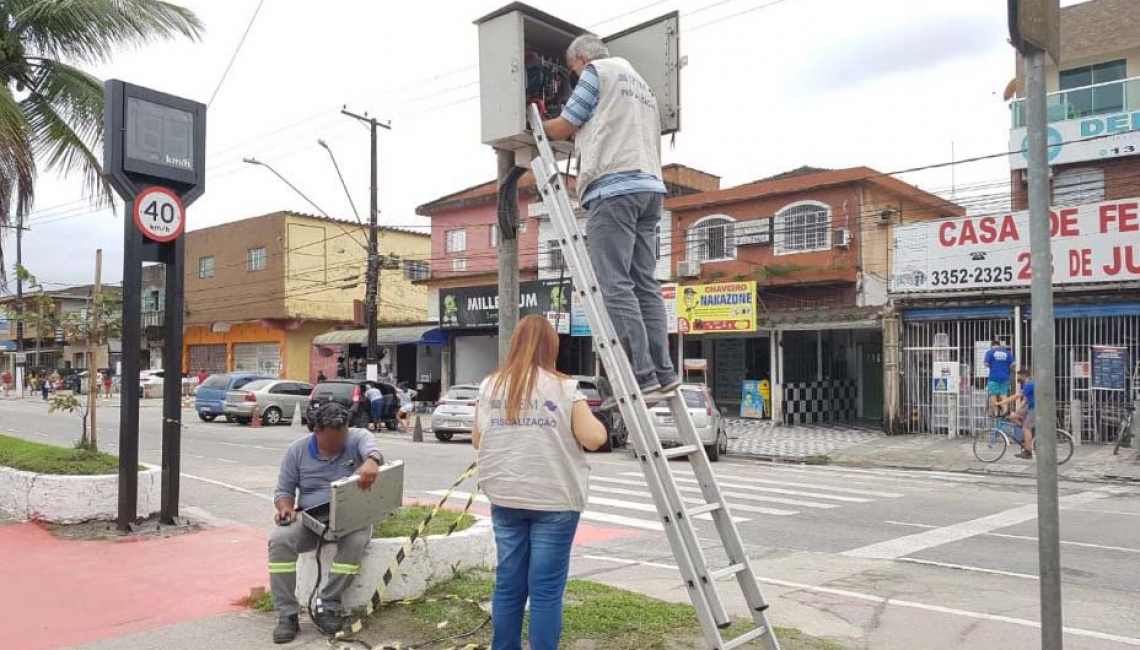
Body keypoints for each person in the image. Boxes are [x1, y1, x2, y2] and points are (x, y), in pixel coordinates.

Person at [542, 34, 679, 407]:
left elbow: (567, 124)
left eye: (573, 72)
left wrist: (537, 118)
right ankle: (664, 374)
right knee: (644, 284)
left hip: (613, 189)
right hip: (650, 187)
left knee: (614, 283)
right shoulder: (640, 83)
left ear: (581, 59)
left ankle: (642, 375)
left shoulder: (595, 73)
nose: (574, 78)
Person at [473, 315, 608, 650]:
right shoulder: (564, 387)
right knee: (545, 590)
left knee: (508, 584)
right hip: (555, 500)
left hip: (505, 497)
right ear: (552, 347)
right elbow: (594, 439)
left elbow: (478, 440)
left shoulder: (490, 385)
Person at [268, 403, 384, 643]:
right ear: (317, 431)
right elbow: (283, 492)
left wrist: (372, 461)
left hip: (352, 516)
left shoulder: (356, 437)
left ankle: (328, 603)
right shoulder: (296, 451)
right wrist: (285, 509)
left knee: (357, 539)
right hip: (311, 518)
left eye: (342, 437)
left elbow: (372, 448)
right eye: (332, 441)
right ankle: (287, 614)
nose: (339, 445)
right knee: (279, 540)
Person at [998, 367, 1035, 460]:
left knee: (1026, 428)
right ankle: (1027, 435)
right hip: (1029, 407)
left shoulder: (1029, 384)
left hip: (1035, 408)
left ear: (1023, 376)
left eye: (1018, 377)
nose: (1017, 379)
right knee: (1012, 415)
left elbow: (1016, 396)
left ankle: (1028, 452)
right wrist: (1019, 409)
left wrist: (1001, 403)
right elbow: (1025, 399)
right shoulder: (1027, 384)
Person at [984, 339, 1015, 416]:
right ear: (999, 345)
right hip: (1005, 376)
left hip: (993, 377)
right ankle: (1005, 411)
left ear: (992, 346)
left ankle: (996, 412)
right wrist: (1006, 368)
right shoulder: (1008, 353)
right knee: (1003, 394)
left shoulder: (990, 352)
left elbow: (985, 364)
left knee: (993, 394)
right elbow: (1013, 364)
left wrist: (993, 366)